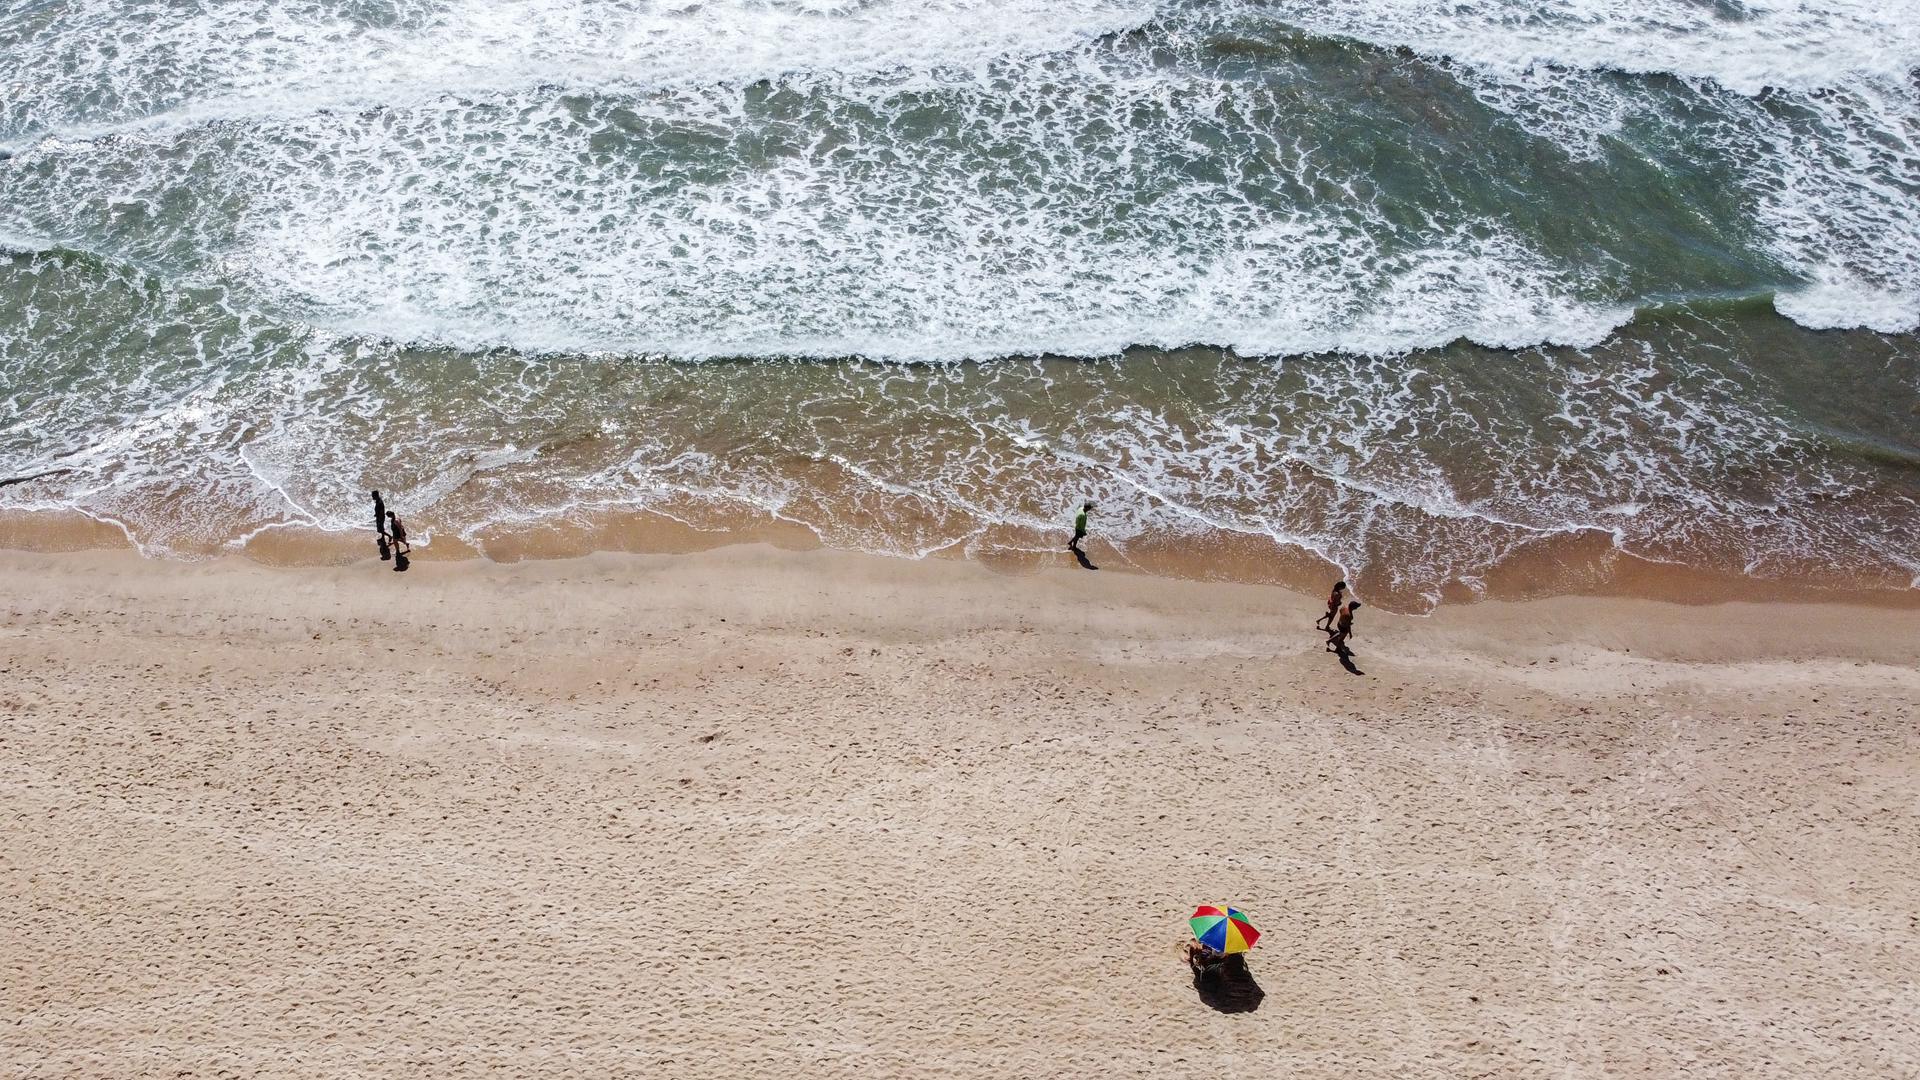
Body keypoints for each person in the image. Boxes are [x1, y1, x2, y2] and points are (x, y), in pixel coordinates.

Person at [372, 490, 390, 561]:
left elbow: (382, 512)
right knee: (381, 529)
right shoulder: (378, 501)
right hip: (379, 517)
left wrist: (379, 518)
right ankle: (383, 537)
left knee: (380, 529)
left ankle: (389, 536)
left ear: (376, 495)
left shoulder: (379, 502)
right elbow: (379, 510)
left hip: (380, 518)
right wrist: (376, 514)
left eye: (373, 496)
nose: (372, 497)